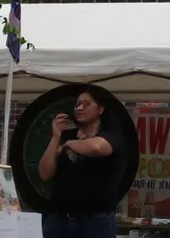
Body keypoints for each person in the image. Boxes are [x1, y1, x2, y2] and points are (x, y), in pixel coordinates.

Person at [37, 87, 124, 238]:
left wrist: (67, 145)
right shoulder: (65, 136)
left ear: (100, 109)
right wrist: (56, 137)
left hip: (95, 221)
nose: (80, 108)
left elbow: (96, 147)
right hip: (58, 220)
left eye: (87, 104)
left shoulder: (111, 134)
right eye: (78, 104)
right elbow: (44, 173)